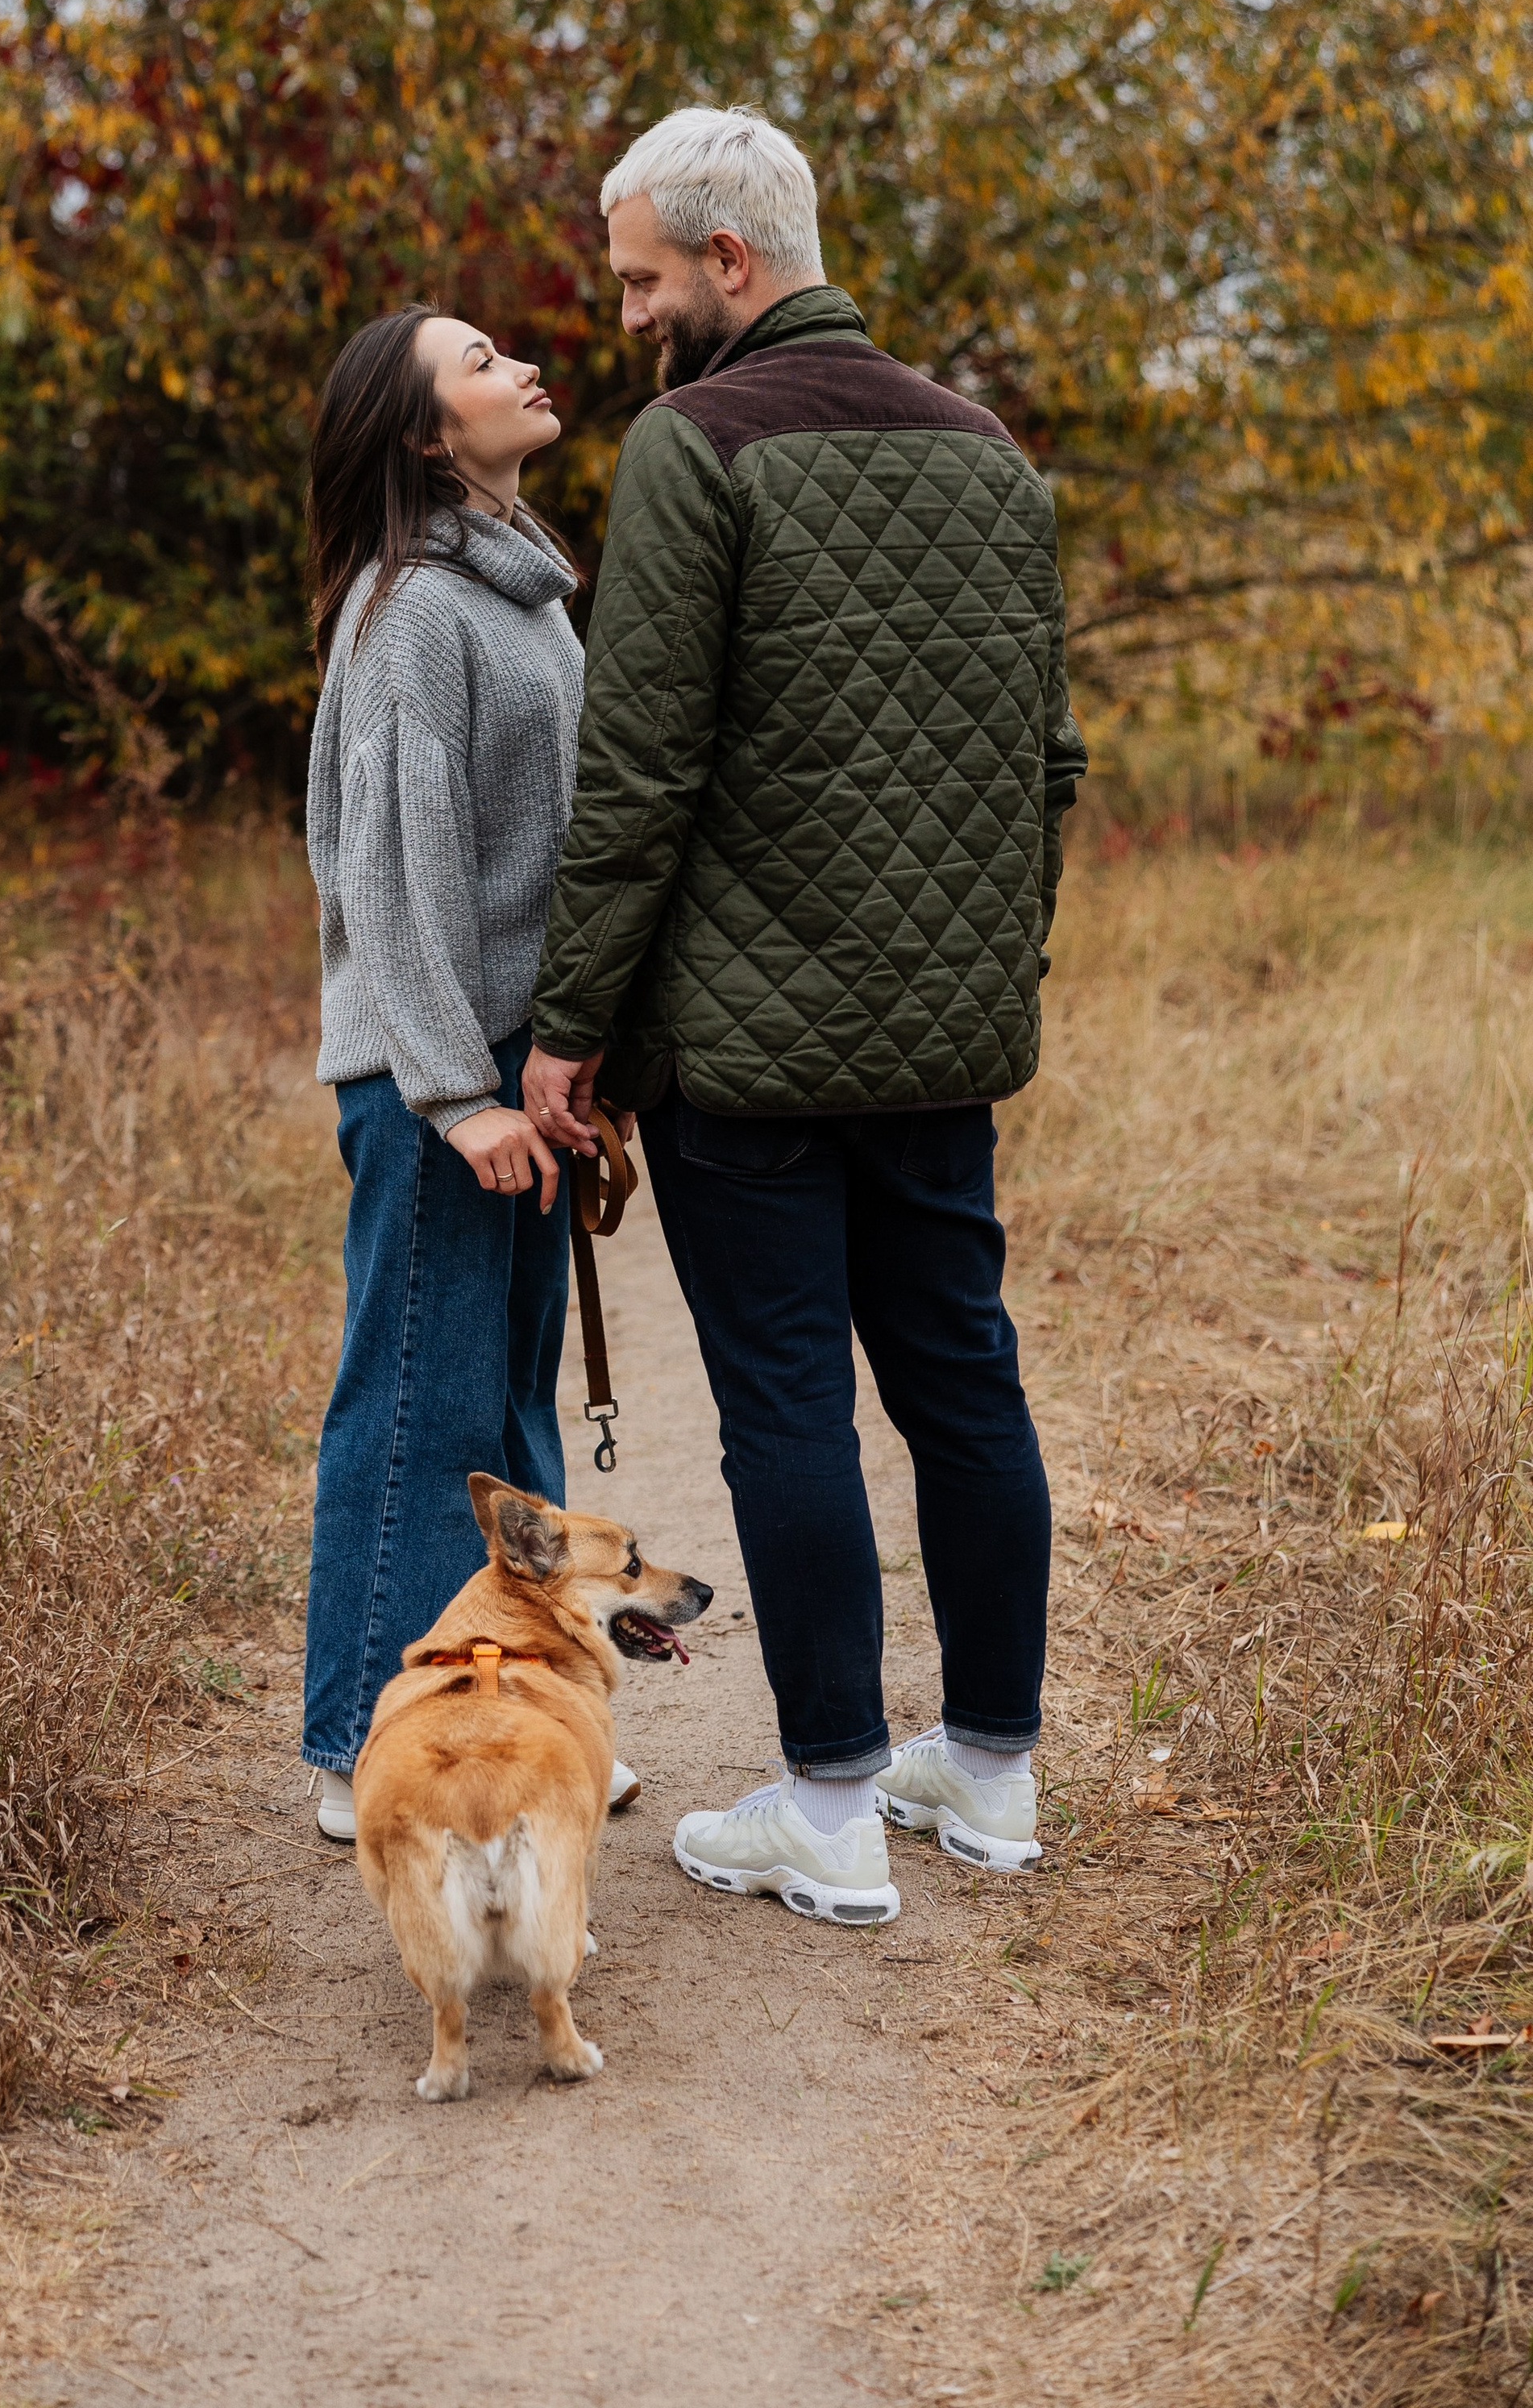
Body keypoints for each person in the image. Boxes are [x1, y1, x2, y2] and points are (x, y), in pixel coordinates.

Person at [525, 107, 1086, 1928]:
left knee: (783, 1402)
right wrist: (995, 967)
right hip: (940, 1039)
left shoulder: (695, 447)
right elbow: (1044, 761)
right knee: (960, 1381)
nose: (624, 315)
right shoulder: (985, 451)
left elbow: (641, 771)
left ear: (728, 264)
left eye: (636, 277)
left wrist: (567, 1028)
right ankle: (988, 1778)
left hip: (748, 1054)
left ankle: (832, 1806)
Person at [300, 304, 638, 1842]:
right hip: (440, 1074)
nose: (522, 369)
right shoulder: (413, 612)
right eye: (481, 364)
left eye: (508, 350)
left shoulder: (524, 593)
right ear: (433, 437)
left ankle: (518, 1712)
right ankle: (356, 1742)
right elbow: (390, 875)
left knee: (506, 1417)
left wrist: (570, 1056)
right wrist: (457, 1090)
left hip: (516, 1063)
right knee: (421, 1410)